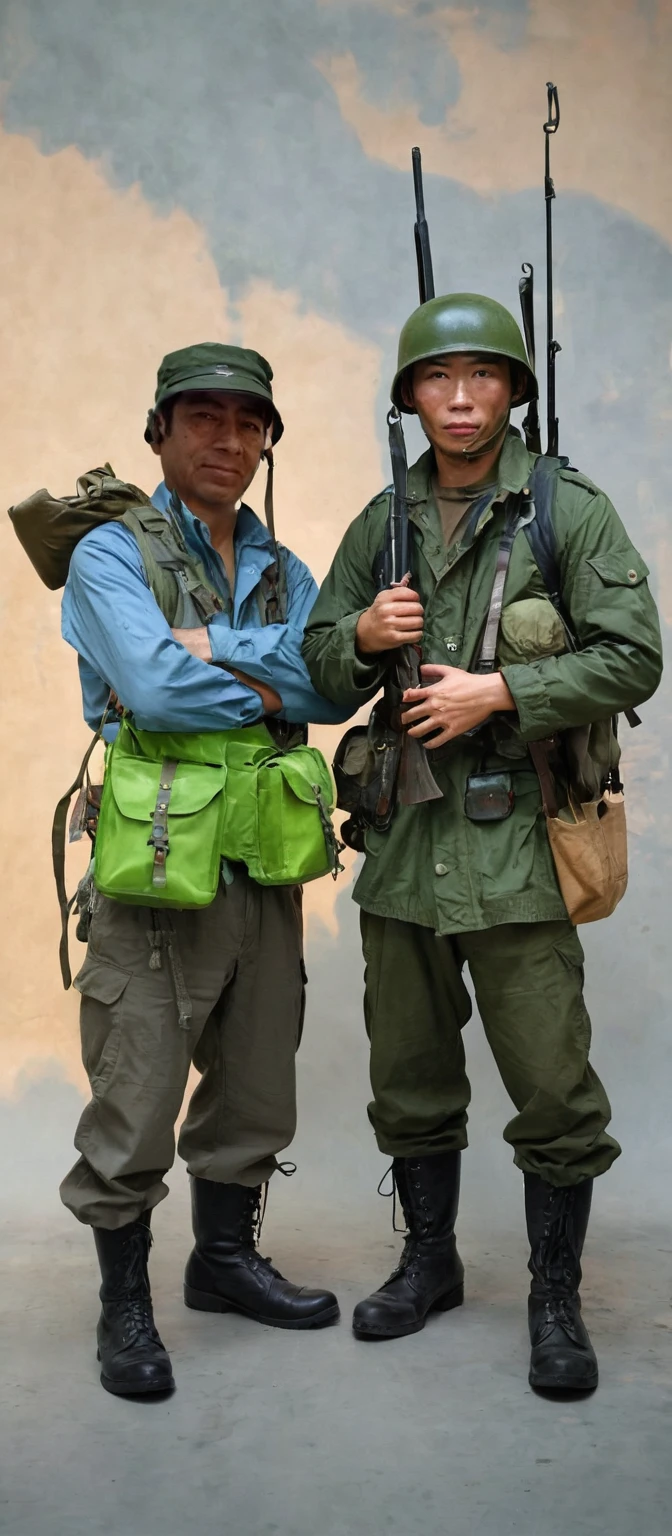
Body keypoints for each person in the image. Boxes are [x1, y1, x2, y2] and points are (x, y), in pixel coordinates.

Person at [302, 294, 663, 1392]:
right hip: (407, 851)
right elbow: (319, 671)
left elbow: (634, 657)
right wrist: (362, 635)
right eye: (438, 379)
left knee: (553, 1091)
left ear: (515, 391)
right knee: (409, 1079)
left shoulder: (565, 510)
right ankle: (429, 1263)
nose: (461, 400)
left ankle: (557, 1296)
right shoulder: (383, 523)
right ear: (409, 397)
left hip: (520, 853)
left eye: (484, 377)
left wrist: (504, 689)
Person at [60, 343, 347, 1397]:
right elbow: (155, 691)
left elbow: (332, 688)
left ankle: (223, 1263)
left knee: (258, 1076)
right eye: (204, 419)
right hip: (157, 853)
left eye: (249, 423)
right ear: (160, 432)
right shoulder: (107, 554)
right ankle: (123, 1306)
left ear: (267, 441)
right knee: (136, 1087)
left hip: (263, 858)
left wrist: (218, 652)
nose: (228, 441)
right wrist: (265, 679)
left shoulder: (289, 569)